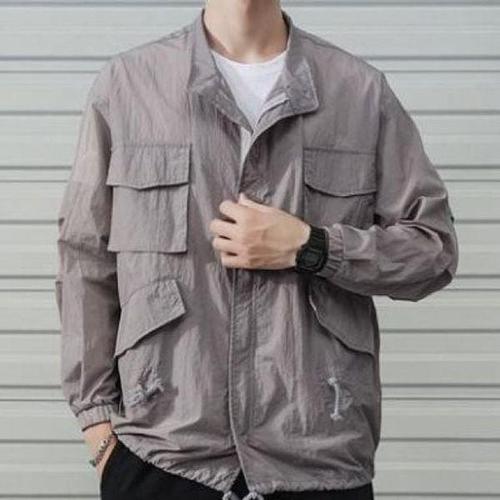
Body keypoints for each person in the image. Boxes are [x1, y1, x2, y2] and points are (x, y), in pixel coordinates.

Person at [54, 1, 459, 499]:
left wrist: (314, 247)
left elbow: (433, 250)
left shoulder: (358, 91)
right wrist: (98, 430)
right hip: (162, 452)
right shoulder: (129, 86)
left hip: (318, 454)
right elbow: (85, 258)